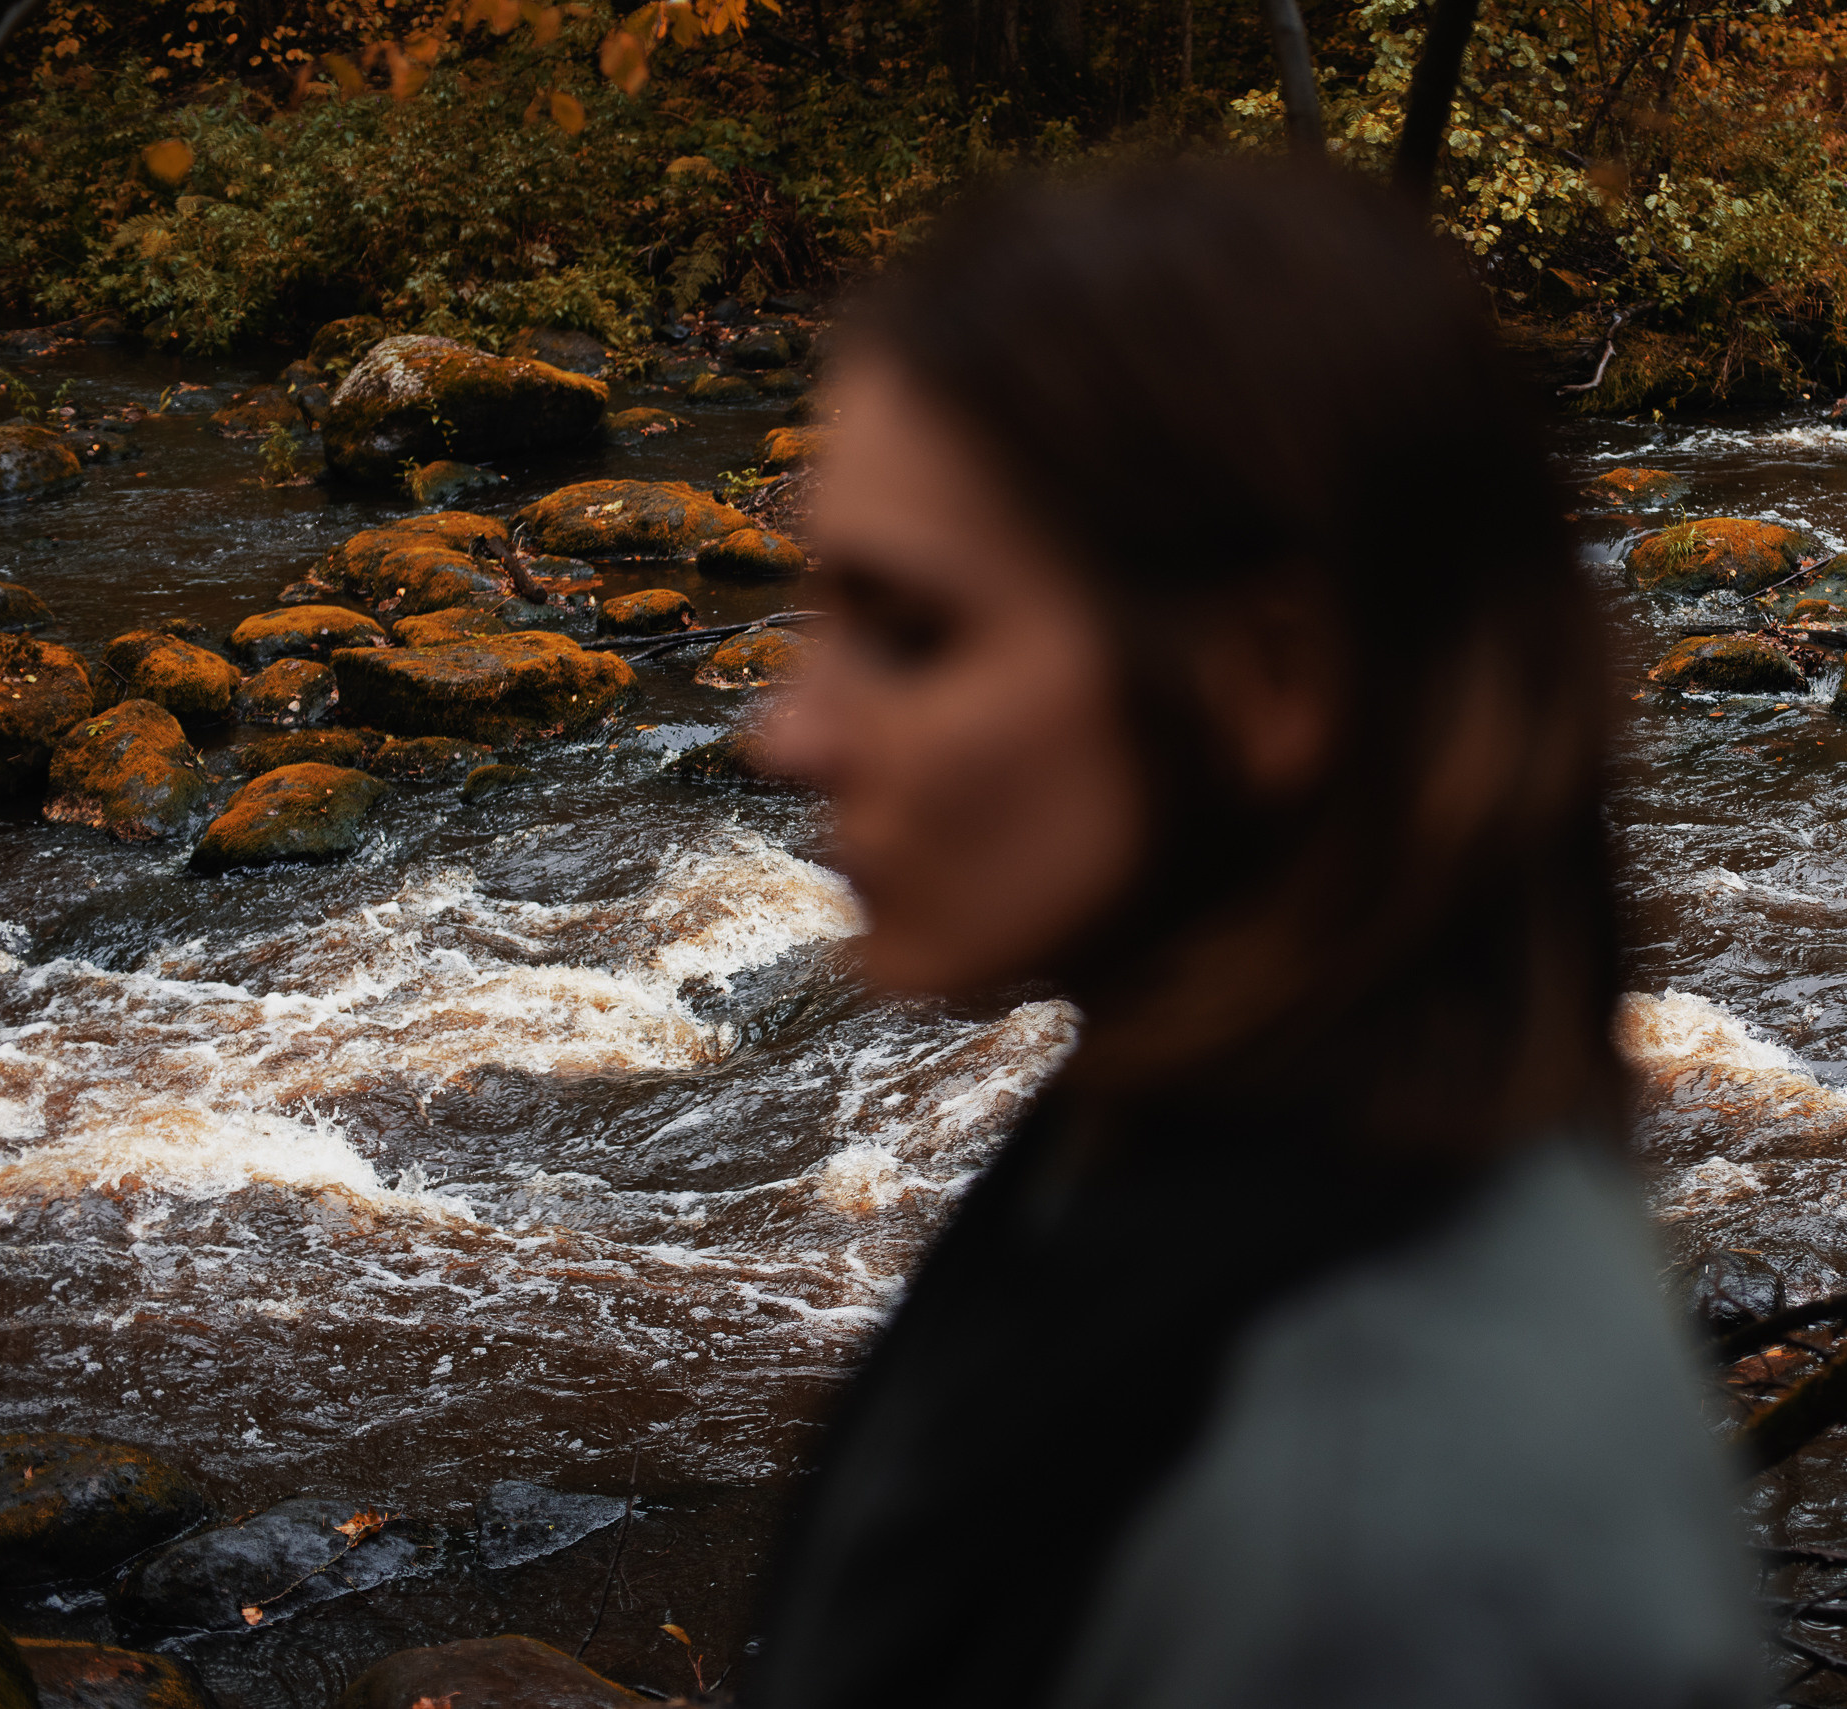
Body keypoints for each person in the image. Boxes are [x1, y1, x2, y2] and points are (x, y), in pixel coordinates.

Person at [747, 158, 1764, 1709]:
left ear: (1269, 679)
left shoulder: (1387, 1537)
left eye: (912, 631)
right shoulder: (1202, 1128)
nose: (793, 731)